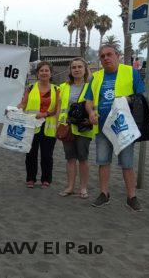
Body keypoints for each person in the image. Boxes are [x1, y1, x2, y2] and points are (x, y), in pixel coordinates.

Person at [84, 45, 146, 211]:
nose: (105, 58)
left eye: (109, 54)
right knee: (103, 162)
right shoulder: (96, 77)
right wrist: (90, 113)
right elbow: (88, 100)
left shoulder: (131, 72)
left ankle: (131, 196)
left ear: (118, 56)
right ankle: (104, 194)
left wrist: (128, 99)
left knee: (127, 163)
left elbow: (141, 95)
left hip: (123, 127)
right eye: (102, 56)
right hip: (102, 128)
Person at [17, 61, 59, 189]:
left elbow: (57, 109)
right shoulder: (30, 88)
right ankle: (31, 179)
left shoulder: (56, 89)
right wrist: (15, 109)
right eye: (41, 70)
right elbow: (23, 104)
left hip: (49, 127)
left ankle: (46, 179)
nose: (44, 73)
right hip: (31, 126)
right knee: (30, 154)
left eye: (47, 70)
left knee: (47, 155)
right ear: (37, 73)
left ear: (51, 73)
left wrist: (45, 114)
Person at [57, 58, 93, 199]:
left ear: (85, 69)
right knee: (70, 158)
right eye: (74, 67)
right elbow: (60, 107)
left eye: (79, 67)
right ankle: (70, 186)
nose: (77, 69)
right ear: (70, 70)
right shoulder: (64, 86)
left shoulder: (91, 86)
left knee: (83, 158)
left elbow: (94, 105)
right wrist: (57, 124)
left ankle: (83, 188)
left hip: (83, 127)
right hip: (67, 127)